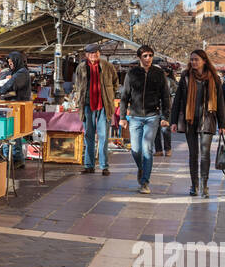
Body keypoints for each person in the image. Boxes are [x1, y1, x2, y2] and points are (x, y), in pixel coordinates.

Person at [169, 49, 225, 196]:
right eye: (192, 59)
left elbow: (220, 102)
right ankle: (194, 185)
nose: (193, 62)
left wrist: (222, 124)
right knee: (193, 154)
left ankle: (204, 185)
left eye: (196, 59)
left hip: (207, 119)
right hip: (190, 120)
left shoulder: (214, 78)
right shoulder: (186, 77)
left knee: (205, 153)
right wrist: (173, 120)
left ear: (204, 61)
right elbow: (178, 100)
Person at [117, 44, 171, 194]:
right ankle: (141, 168)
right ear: (139, 57)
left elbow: (165, 96)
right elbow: (125, 96)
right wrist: (122, 117)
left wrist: (166, 116)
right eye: (145, 56)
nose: (148, 58)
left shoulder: (158, 74)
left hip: (152, 116)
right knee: (135, 150)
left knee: (147, 149)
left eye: (150, 55)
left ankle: (145, 182)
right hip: (134, 116)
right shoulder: (132, 73)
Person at [67, 42, 118, 175]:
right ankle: (89, 165)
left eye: (95, 52)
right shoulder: (81, 67)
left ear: (99, 53)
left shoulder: (107, 66)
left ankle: (104, 166)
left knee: (103, 136)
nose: (93, 55)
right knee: (88, 135)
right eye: (90, 53)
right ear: (86, 55)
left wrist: (109, 95)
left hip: (104, 105)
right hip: (87, 105)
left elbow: (115, 82)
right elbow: (78, 84)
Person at [0, 50, 32, 169]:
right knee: (11, 132)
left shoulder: (22, 72)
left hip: (18, 105)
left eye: (11, 63)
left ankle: (15, 159)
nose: (10, 65)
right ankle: (12, 158)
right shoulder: (16, 72)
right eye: (9, 63)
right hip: (13, 104)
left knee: (13, 132)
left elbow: (12, 83)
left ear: (16, 61)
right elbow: (7, 78)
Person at [156, 68, 177, 156]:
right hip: (155, 108)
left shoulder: (170, 82)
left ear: (167, 73)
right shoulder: (155, 81)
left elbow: (174, 93)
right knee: (155, 130)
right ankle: (158, 150)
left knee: (165, 129)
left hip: (166, 108)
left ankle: (168, 149)